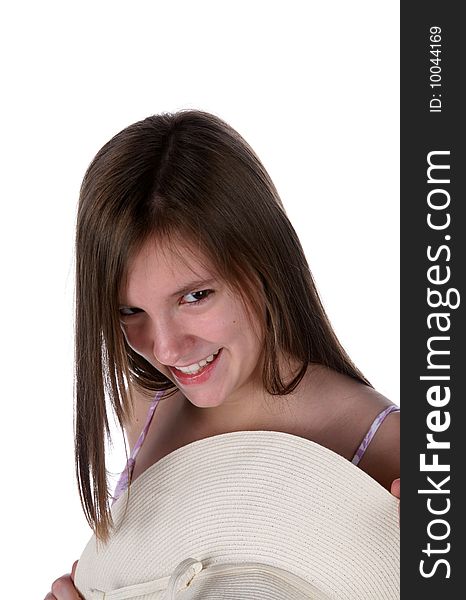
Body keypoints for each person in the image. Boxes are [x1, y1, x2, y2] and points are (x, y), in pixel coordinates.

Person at [44, 109, 400, 600]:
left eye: (194, 297)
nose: (166, 348)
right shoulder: (145, 406)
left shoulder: (387, 449)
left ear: (263, 263)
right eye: (130, 309)